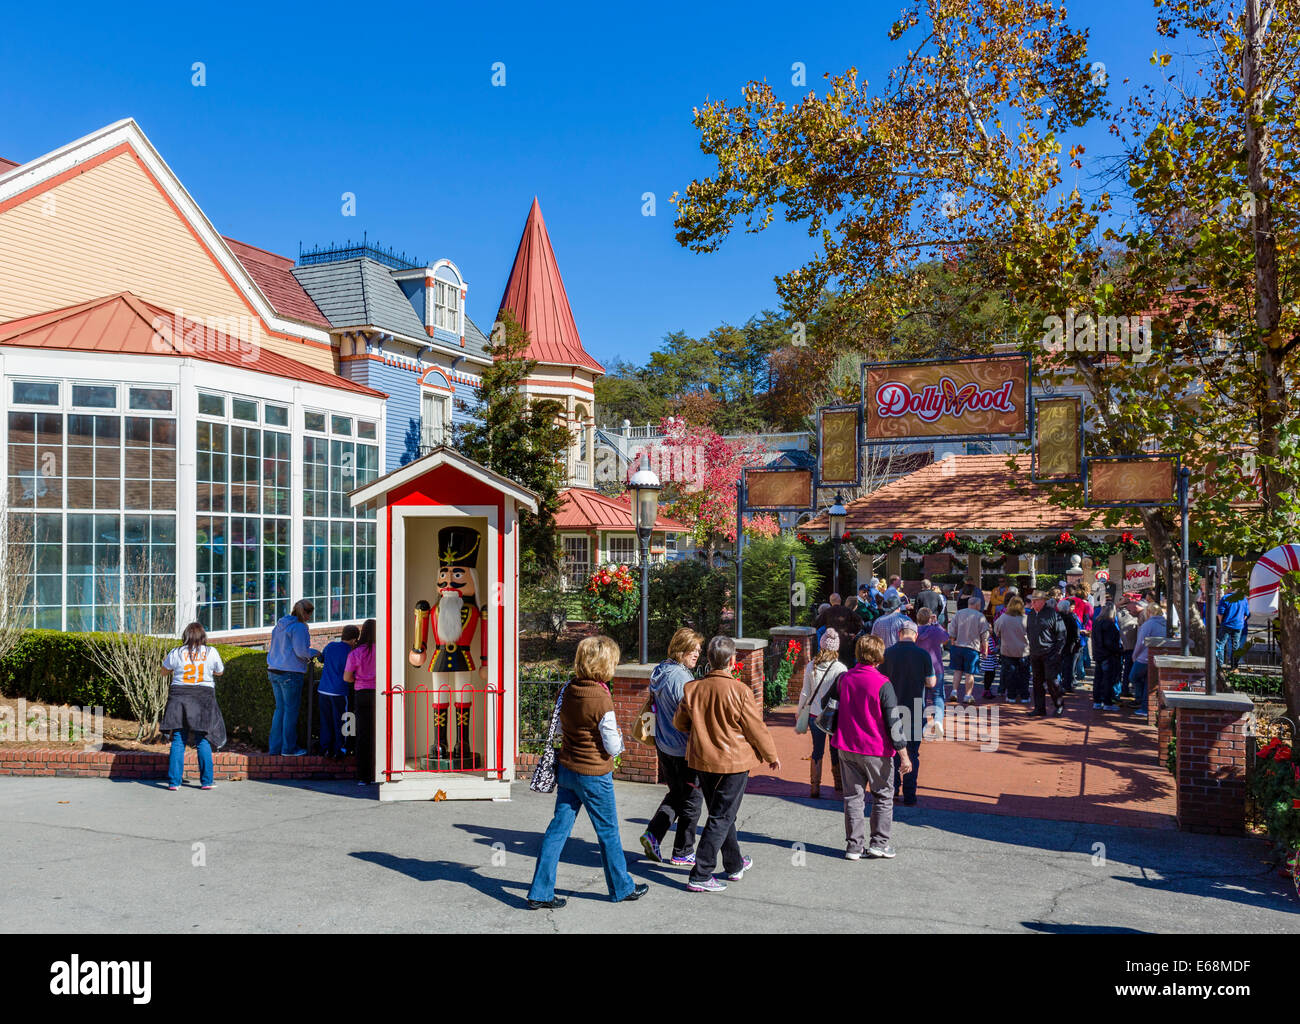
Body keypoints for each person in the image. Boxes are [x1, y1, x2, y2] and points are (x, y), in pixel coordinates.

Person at [527, 635, 649, 909]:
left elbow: (559, 729)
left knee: (557, 830)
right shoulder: (601, 698)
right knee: (608, 831)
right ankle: (622, 887)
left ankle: (540, 892)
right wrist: (620, 740)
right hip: (594, 774)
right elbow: (612, 746)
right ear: (604, 664)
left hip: (568, 769)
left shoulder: (567, 690)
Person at [673, 635, 780, 893]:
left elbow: (680, 723)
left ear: (709, 660)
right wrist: (771, 755)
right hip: (733, 763)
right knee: (722, 816)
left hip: (703, 760)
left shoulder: (692, 688)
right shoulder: (740, 691)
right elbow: (756, 728)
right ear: (732, 661)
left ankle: (734, 864)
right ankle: (701, 873)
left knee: (721, 814)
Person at [833, 634, 911, 859]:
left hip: (847, 746)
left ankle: (854, 846)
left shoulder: (844, 679)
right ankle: (879, 843)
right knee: (883, 795)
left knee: (853, 798)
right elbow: (894, 722)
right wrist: (904, 755)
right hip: (876, 749)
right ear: (879, 656)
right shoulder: (883, 684)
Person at [640, 628, 705, 866]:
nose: (697, 654)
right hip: (682, 749)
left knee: (677, 794)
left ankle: (653, 835)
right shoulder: (681, 679)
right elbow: (689, 715)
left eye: (699, 650)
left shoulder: (661, 670)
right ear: (681, 649)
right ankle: (683, 851)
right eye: (692, 650)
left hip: (664, 744)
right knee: (692, 800)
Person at [160, 622, 226, 790]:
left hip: (179, 697)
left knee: (178, 739)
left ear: (186, 636)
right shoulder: (211, 652)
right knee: (203, 738)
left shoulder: (176, 652)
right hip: (203, 697)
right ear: (203, 636)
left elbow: (164, 671)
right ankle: (207, 781)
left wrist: (173, 669)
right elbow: (219, 671)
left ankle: (174, 782)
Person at [881, 621, 934, 806]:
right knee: (912, 752)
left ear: (899, 633)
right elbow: (931, 682)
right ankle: (910, 794)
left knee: (893, 751)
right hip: (915, 707)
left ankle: (893, 788)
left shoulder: (887, 653)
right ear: (916, 635)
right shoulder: (923, 654)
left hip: (892, 708)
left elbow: (880, 680)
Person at [796, 629, 846, 798]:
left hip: (814, 715)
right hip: (833, 716)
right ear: (836, 648)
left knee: (817, 750)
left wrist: (799, 711)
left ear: (821, 645)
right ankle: (838, 783)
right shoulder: (841, 668)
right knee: (835, 749)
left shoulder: (812, 665)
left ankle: (815, 786)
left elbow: (805, 692)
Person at [266, 599, 320, 756]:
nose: (310, 618)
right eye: (310, 614)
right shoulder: (299, 627)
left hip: (274, 670)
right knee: (290, 712)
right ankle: (289, 749)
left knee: (280, 710)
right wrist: (315, 652)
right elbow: (301, 652)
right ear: (306, 613)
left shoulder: (280, 625)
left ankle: (275, 748)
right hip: (290, 672)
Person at [343, 619, 377, 785]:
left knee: (363, 735)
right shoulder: (383, 650)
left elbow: (347, 677)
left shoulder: (356, 653)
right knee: (380, 733)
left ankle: (364, 776)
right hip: (379, 693)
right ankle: (379, 772)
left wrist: (359, 679)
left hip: (362, 693)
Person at [318, 624, 359, 759]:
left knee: (326, 721)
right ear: (354, 640)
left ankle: (325, 748)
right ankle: (340, 748)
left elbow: (321, 658)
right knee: (342, 721)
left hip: (323, 690)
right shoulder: (351, 652)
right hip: (340, 691)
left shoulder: (330, 646)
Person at [1027, 590, 1067, 717]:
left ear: (1043, 601)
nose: (1032, 603)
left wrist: (1057, 653)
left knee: (1052, 681)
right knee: (1037, 682)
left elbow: (1061, 635)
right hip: (1035, 653)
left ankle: (1059, 705)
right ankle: (1039, 708)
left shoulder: (1052, 614)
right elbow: (1029, 632)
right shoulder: (1031, 614)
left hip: (1050, 653)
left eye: (1035, 601)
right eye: (1032, 600)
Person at [948, 592, 990, 705]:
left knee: (957, 671)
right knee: (969, 673)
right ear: (977, 605)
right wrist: (985, 650)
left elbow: (951, 629)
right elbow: (985, 636)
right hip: (972, 648)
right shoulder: (980, 616)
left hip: (957, 646)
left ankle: (954, 691)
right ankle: (967, 695)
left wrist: (952, 641)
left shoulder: (959, 613)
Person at [914, 606, 950, 736]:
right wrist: (937, 624)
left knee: (920, 698)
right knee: (938, 696)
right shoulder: (936, 631)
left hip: (919, 668)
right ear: (930, 618)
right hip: (936, 668)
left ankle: (923, 725)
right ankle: (938, 720)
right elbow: (946, 638)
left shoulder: (914, 632)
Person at [1130, 602, 1168, 719]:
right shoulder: (1166, 623)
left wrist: (1134, 655)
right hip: (1158, 657)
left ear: (1149, 611)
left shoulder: (1148, 624)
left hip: (1144, 657)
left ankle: (1141, 700)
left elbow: (1140, 642)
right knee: (1148, 682)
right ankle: (1144, 706)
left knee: (1133, 677)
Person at [994, 595, 1030, 703]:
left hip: (1007, 649)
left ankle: (1011, 696)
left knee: (1010, 674)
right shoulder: (1026, 618)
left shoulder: (1003, 618)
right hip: (1023, 650)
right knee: (1024, 675)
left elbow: (997, 632)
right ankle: (1024, 696)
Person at [1091, 589, 1122, 710]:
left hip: (1098, 654)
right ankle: (1107, 703)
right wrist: (1118, 650)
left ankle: (1097, 701)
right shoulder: (1109, 624)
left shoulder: (1097, 622)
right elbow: (1109, 642)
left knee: (1098, 679)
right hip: (1108, 655)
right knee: (1107, 679)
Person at [1117, 595, 1143, 699]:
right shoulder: (1131, 614)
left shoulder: (1119, 613)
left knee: (1123, 669)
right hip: (1132, 646)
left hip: (1124, 644)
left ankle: (1123, 689)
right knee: (1129, 669)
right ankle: (1125, 689)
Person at [1217, 589, 1250, 669]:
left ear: (1229, 589)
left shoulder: (1225, 598)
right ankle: (1234, 666)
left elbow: (1220, 613)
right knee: (1236, 646)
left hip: (1226, 624)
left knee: (1220, 644)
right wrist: (1240, 621)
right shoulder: (1243, 599)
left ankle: (1219, 665)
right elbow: (1246, 614)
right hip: (1238, 626)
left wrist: (1221, 623)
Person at [1057, 598, 1080, 694]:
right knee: (1068, 666)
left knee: (1059, 666)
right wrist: (1077, 642)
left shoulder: (1056, 617)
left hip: (1059, 645)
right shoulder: (1071, 617)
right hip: (1069, 645)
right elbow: (1075, 632)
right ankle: (1067, 685)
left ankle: (1058, 685)